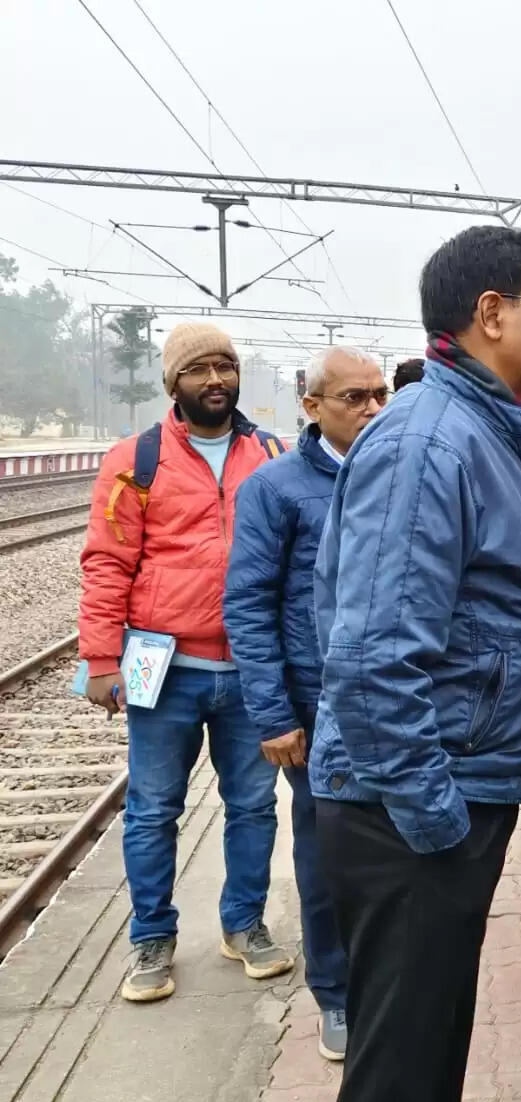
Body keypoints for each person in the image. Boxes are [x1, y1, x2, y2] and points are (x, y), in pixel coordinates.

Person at [310, 225, 521, 1102]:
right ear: (491, 314)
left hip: (447, 792)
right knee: (399, 1079)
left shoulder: (486, 429)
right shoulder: (432, 442)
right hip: (413, 809)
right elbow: (375, 656)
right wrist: (436, 821)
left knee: (422, 1058)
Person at [79, 322, 295, 1003]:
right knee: (151, 810)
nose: (215, 380)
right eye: (199, 369)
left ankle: (244, 924)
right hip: (162, 668)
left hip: (251, 670)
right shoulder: (135, 460)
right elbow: (107, 562)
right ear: (174, 382)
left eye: (225, 367)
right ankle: (152, 937)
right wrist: (100, 657)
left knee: (255, 805)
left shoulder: (270, 453)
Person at [223, 346, 387, 1061]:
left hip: (396, 700)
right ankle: (336, 993)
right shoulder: (277, 488)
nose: (374, 408)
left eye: (381, 394)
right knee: (324, 852)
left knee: (394, 854)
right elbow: (250, 605)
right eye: (355, 397)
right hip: (316, 710)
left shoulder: (401, 473)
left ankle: (385, 985)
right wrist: (273, 715)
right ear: (312, 406)